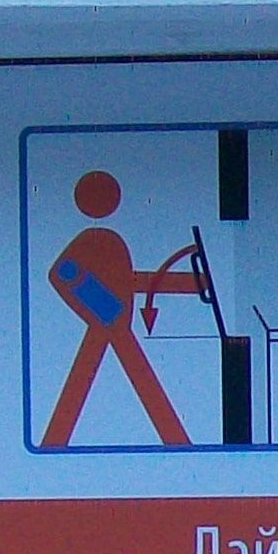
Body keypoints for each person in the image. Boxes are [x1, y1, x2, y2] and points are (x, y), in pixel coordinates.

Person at [39, 171, 210, 447]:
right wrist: (104, 307)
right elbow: (64, 273)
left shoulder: (111, 244)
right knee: (101, 388)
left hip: (113, 323)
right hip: (110, 323)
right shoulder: (96, 243)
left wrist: (196, 283)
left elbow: (130, 280)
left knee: (130, 387)